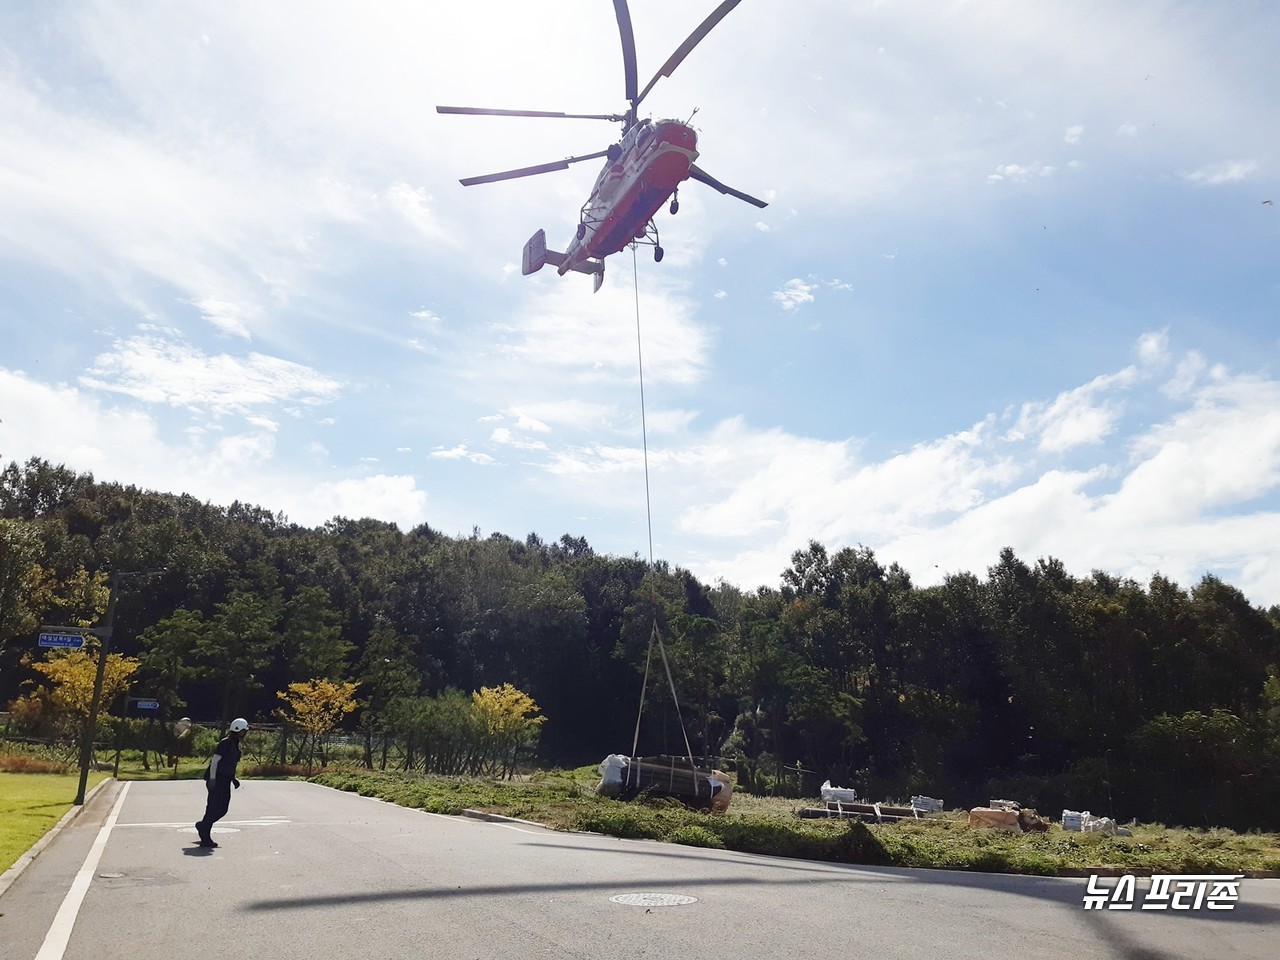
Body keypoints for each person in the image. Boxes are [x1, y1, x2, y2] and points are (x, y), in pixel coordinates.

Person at [195, 718, 247, 848]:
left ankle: (203, 825)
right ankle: (205, 834)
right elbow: (215, 762)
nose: (245, 734)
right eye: (244, 731)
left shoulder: (235, 745)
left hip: (225, 780)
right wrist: (212, 779)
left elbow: (230, 765)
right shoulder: (225, 743)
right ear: (239, 731)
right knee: (213, 807)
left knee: (222, 809)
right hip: (217, 779)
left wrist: (233, 778)